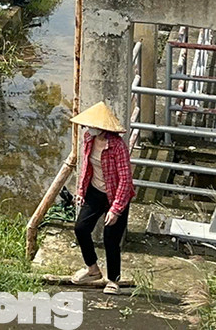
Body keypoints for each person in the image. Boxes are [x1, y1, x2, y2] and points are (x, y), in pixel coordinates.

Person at [70, 102, 134, 295]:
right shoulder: (88, 138)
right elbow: (86, 167)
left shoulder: (117, 147)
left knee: (111, 239)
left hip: (116, 195)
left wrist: (116, 209)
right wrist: (81, 190)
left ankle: (113, 280)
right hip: (95, 191)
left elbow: (125, 179)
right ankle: (92, 269)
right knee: (81, 228)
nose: (89, 128)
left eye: (92, 125)